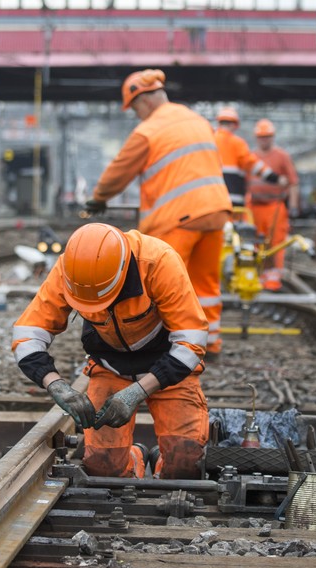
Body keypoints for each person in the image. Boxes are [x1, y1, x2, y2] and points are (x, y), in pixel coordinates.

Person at [12, 223, 209, 479]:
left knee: (185, 462)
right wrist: (55, 384)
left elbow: (191, 341)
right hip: (110, 367)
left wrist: (138, 391)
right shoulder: (70, 269)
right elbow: (28, 334)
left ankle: (163, 463)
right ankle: (135, 458)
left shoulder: (158, 261)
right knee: (104, 467)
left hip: (168, 365)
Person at [89, 69, 231, 360]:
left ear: (144, 100)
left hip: (177, 218)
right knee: (205, 282)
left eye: (135, 108)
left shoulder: (149, 130)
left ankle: (159, 346)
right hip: (216, 211)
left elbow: (120, 170)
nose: (136, 115)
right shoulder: (198, 120)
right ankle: (209, 344)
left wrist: (99, 197)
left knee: (159, 283)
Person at [247, 118, 299, 292]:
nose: (264, 139)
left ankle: (274, 276)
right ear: (256, 138)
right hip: (253, 206)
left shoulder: (282, 156)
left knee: (275, 241)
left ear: (272, 137)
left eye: (267, 136)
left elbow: (292, 182)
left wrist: (293, 206)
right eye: (261, 136)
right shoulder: (250, 157)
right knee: (254, 242)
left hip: (275, 206)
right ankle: (258, 273)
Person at [214, 106, 282, 207]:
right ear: (234, 125)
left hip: (214, 198)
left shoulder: (210, 140)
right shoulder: (237, 143)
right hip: (233, 199)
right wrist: (274, 178)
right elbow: (252, 164)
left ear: (219, 123)